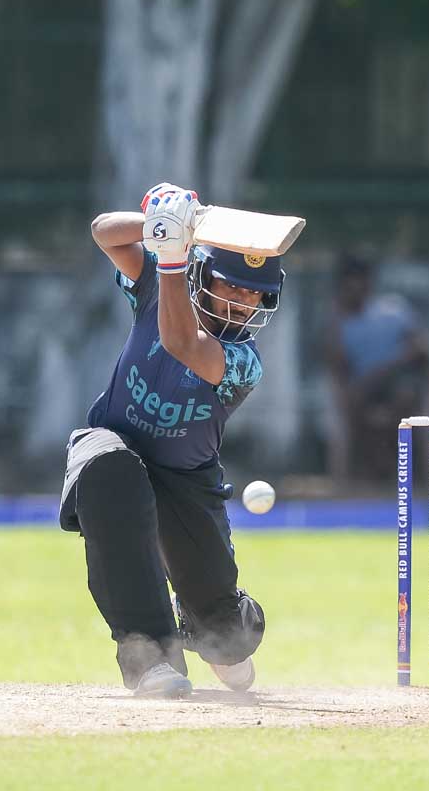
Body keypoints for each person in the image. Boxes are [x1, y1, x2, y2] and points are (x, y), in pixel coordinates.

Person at [58, 182, 281, 698]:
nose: (243, 302)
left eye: (253, 294)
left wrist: (174, 257)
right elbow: (103, 234)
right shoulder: (159, 281)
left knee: (226, 637)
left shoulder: (243, 361)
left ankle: (207, 624)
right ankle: (151, 658)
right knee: (108, 469)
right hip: (114, 440)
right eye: (231, 286)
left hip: (186, 482)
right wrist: (172, 224)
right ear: (204, 273)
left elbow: (182, 342)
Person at [325, 254, 429, 483]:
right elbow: (337, 365)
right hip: (364, 389)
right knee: (360, 410)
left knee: (404, 398)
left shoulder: (393, 310)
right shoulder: (338, 322)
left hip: (398, 380)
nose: (355, 290)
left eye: (360, 282)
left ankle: (407, 475)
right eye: (348, 285)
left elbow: (420, 349)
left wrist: (383, 371)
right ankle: (374, 476)